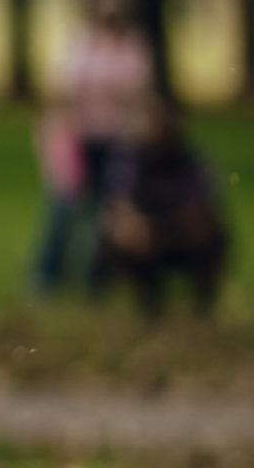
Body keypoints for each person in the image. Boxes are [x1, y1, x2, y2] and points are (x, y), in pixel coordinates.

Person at [30, 0, 154, 296]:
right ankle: (46, 275)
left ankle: (97, 277)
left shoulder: (133, 46)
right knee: (65, 205)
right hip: (78, 138)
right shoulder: (79, 43)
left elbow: (136, 92)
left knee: (111, 208)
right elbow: (60, 89)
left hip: (117, 137)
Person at [92, 101, 229, 317]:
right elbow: (120, 205)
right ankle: (146, 303)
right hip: (145, 238)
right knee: (124, 234)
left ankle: (202, 305)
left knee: (211, 235)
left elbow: (205, 208)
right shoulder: (129, 159)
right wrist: (138, 227)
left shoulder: (193, 159)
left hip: (179, 234)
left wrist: (173, 229)